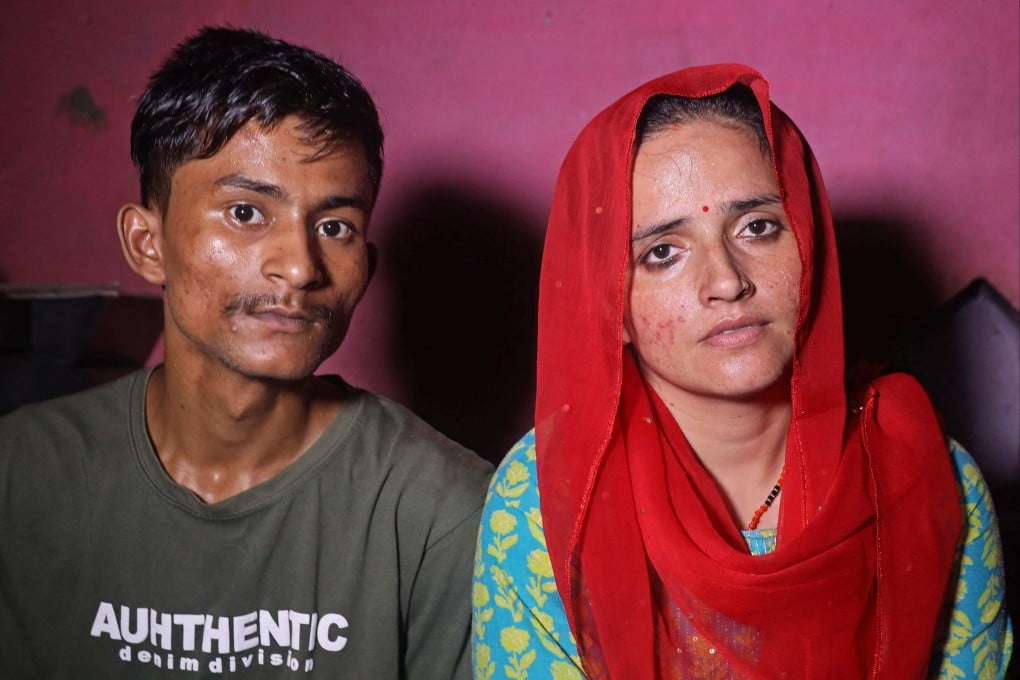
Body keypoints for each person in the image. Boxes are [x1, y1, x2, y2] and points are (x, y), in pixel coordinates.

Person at [473, 64, 1012, 678]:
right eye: (663, 253)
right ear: (608, 306)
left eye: (757, 228)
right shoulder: (545, 501)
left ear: (809, 243)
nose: (727, 281)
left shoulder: (925, 474)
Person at [0, 27, 492, 679]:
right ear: (148, 244)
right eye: (245, 213)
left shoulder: (444, 510)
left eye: (335, 227)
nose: (299, 266)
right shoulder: (21, 475)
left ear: (366, 268)